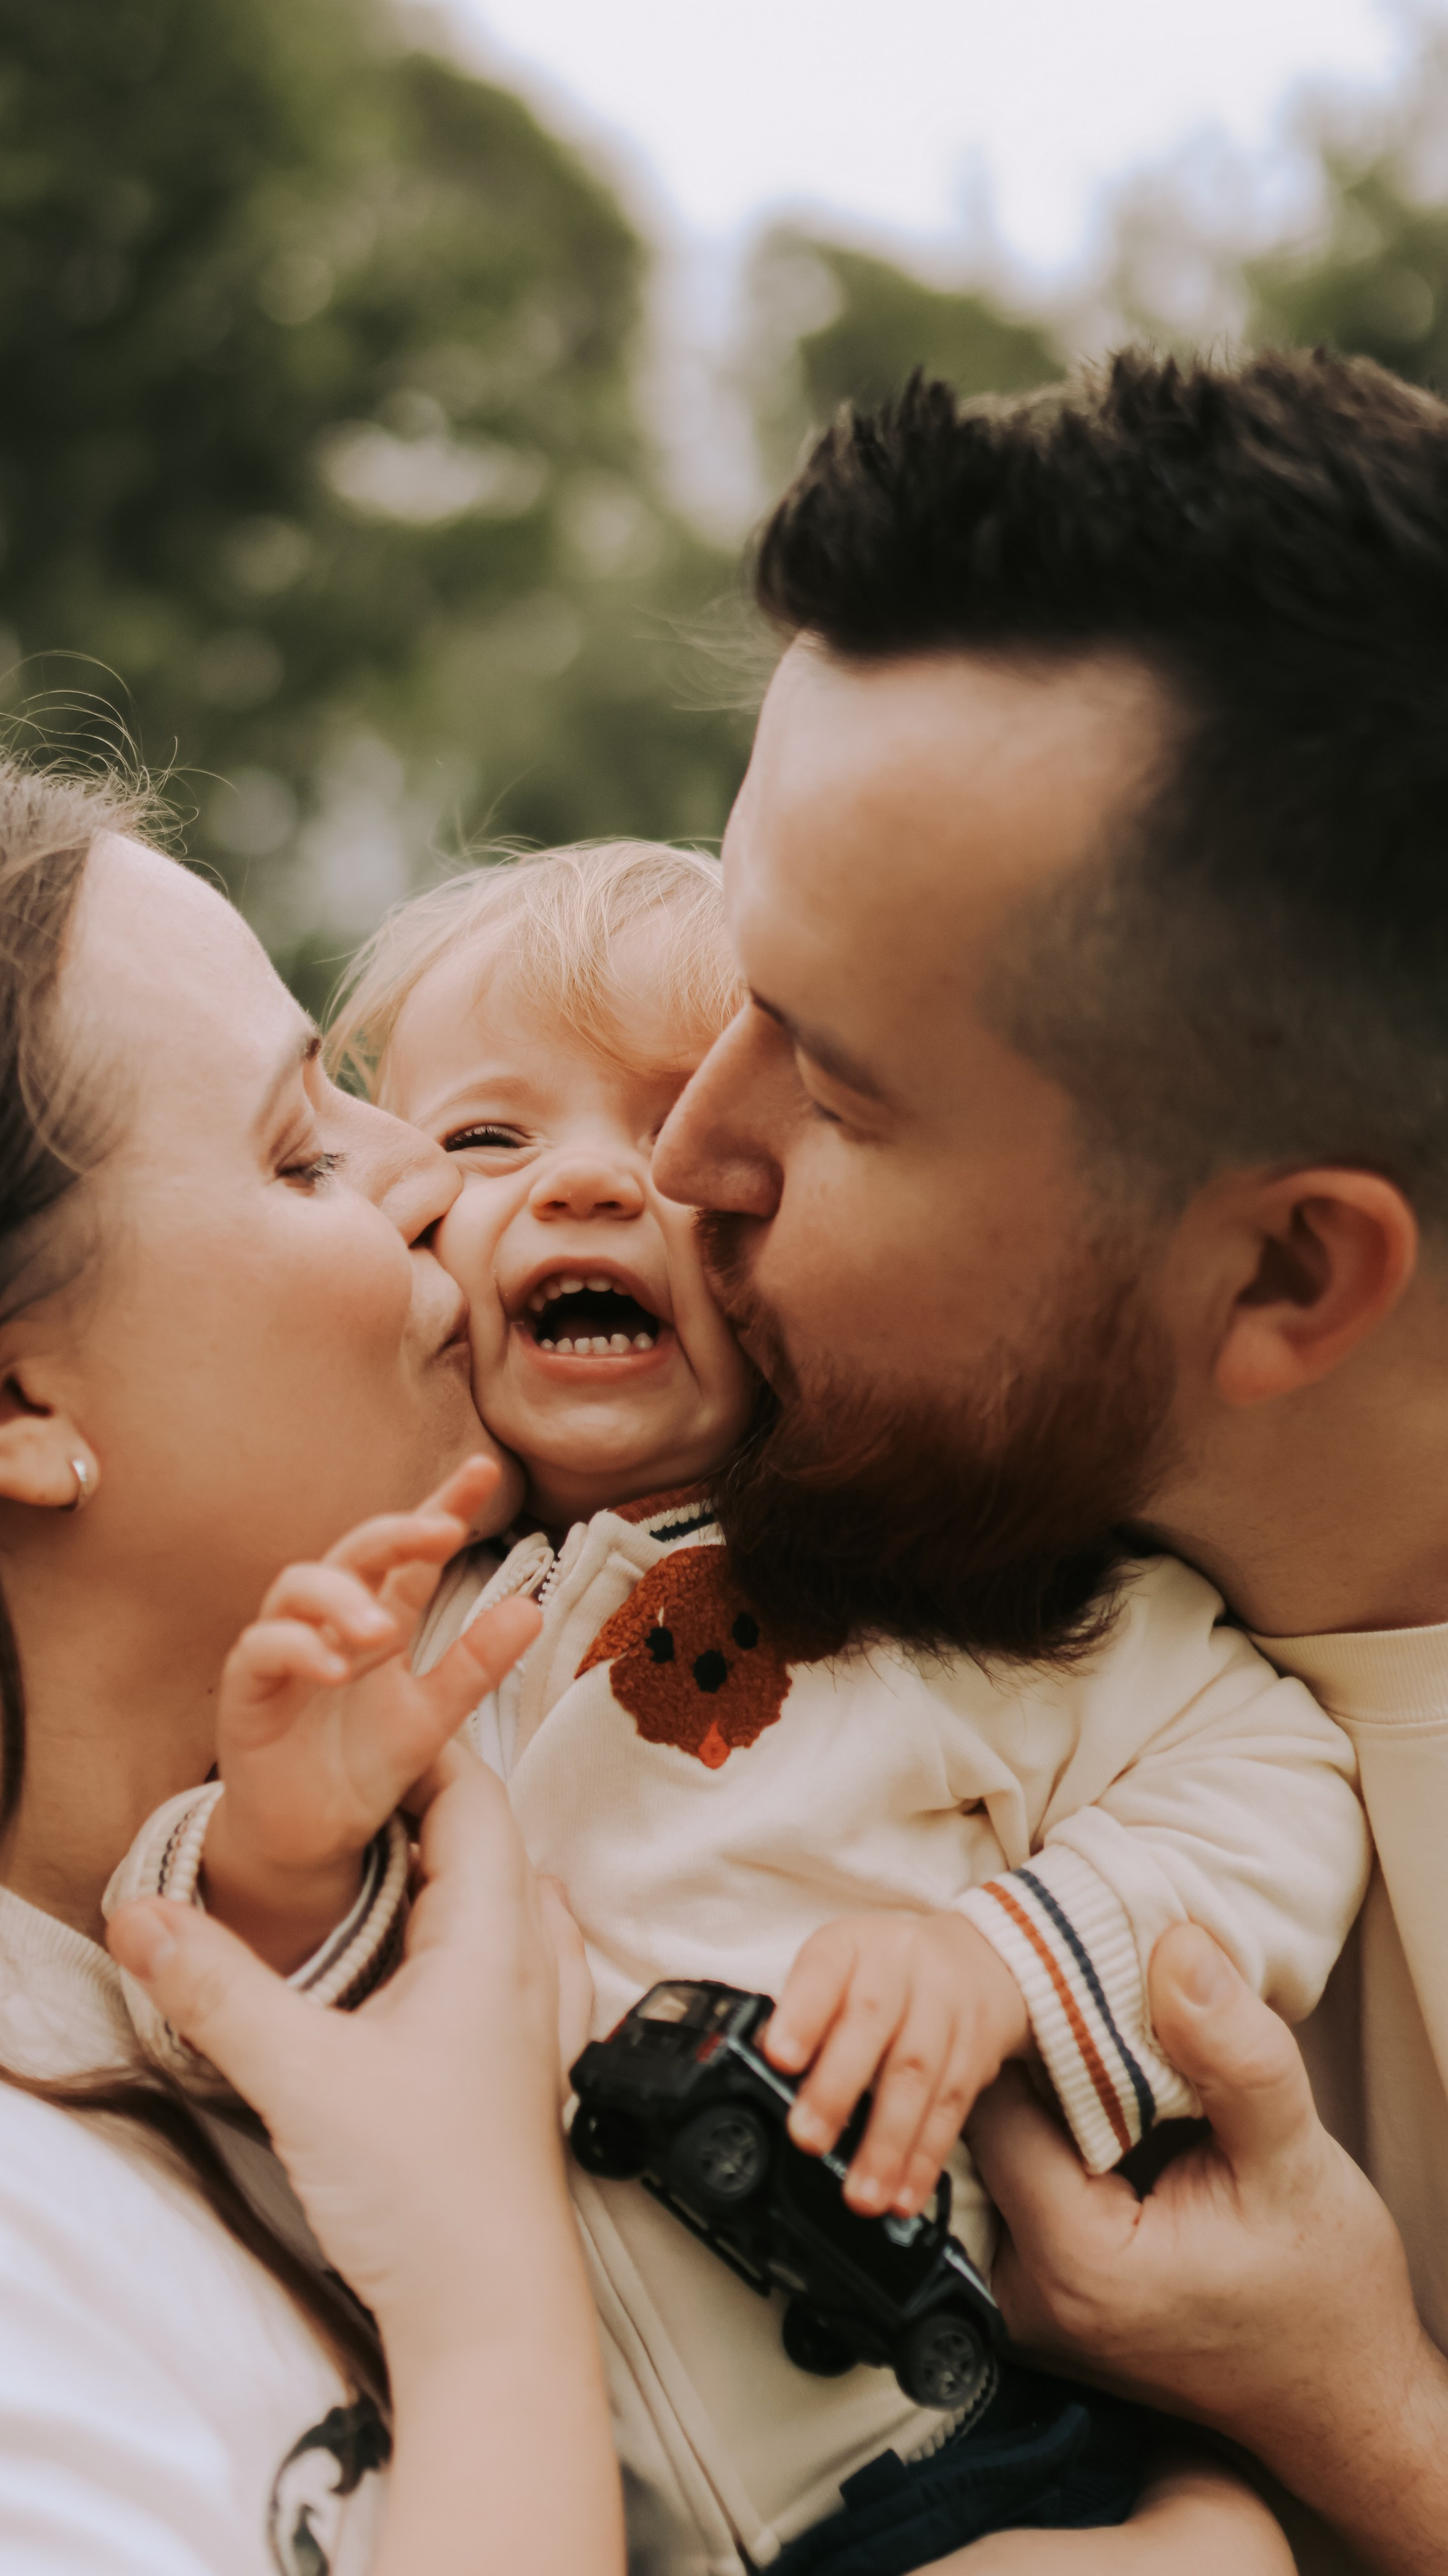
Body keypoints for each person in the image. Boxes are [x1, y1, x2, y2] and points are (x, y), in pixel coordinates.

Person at [125, 836, 1362, 2576]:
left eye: (673, 1131)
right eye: (485, 1140)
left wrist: (1005, 1959)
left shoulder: (938, 1581)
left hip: (965, 2451)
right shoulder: (367, 1610)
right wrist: (279, 1853)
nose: (583, 1187)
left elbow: (1268, 1772)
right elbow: (211, 2006)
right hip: (561, 2501)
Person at [649, 349, 1448, 2574]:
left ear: (1291, 1272)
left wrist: (1375, 2424)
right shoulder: (760, 1529)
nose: (687, 1149)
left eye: (836, 1086)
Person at [0, 747, 623, 2576]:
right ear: (10, 1401)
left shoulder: (264, 1962)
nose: (427, 1181)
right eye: (301, 1148)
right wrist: (486, 2291)